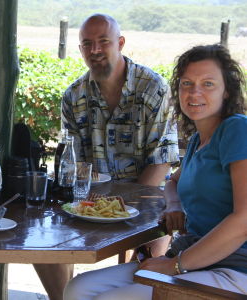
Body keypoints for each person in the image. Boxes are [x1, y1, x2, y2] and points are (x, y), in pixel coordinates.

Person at [63, 44, 247, 299]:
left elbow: (244, 220)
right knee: (79, 288)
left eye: (208, 84)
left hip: (235, 270)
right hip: (194, 259)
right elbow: (173, 181)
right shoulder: (197, 141)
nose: (194, 92)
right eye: (186, 83)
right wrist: (174, 205)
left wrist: (175, 265)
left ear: (227, 91)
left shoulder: (237, 130)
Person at [33, 13, 180, 300]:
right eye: (87, 44)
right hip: (93, 199)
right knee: (43, 245)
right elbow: (73, 160)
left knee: (140, 274)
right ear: (80, 50)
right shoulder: (73, 96)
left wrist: (126, 207)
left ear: (120, 43)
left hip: (148, 199)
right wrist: (87, 199)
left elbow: (162, 159)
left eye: (103, 42)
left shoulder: (153, 88)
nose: (95, 50)